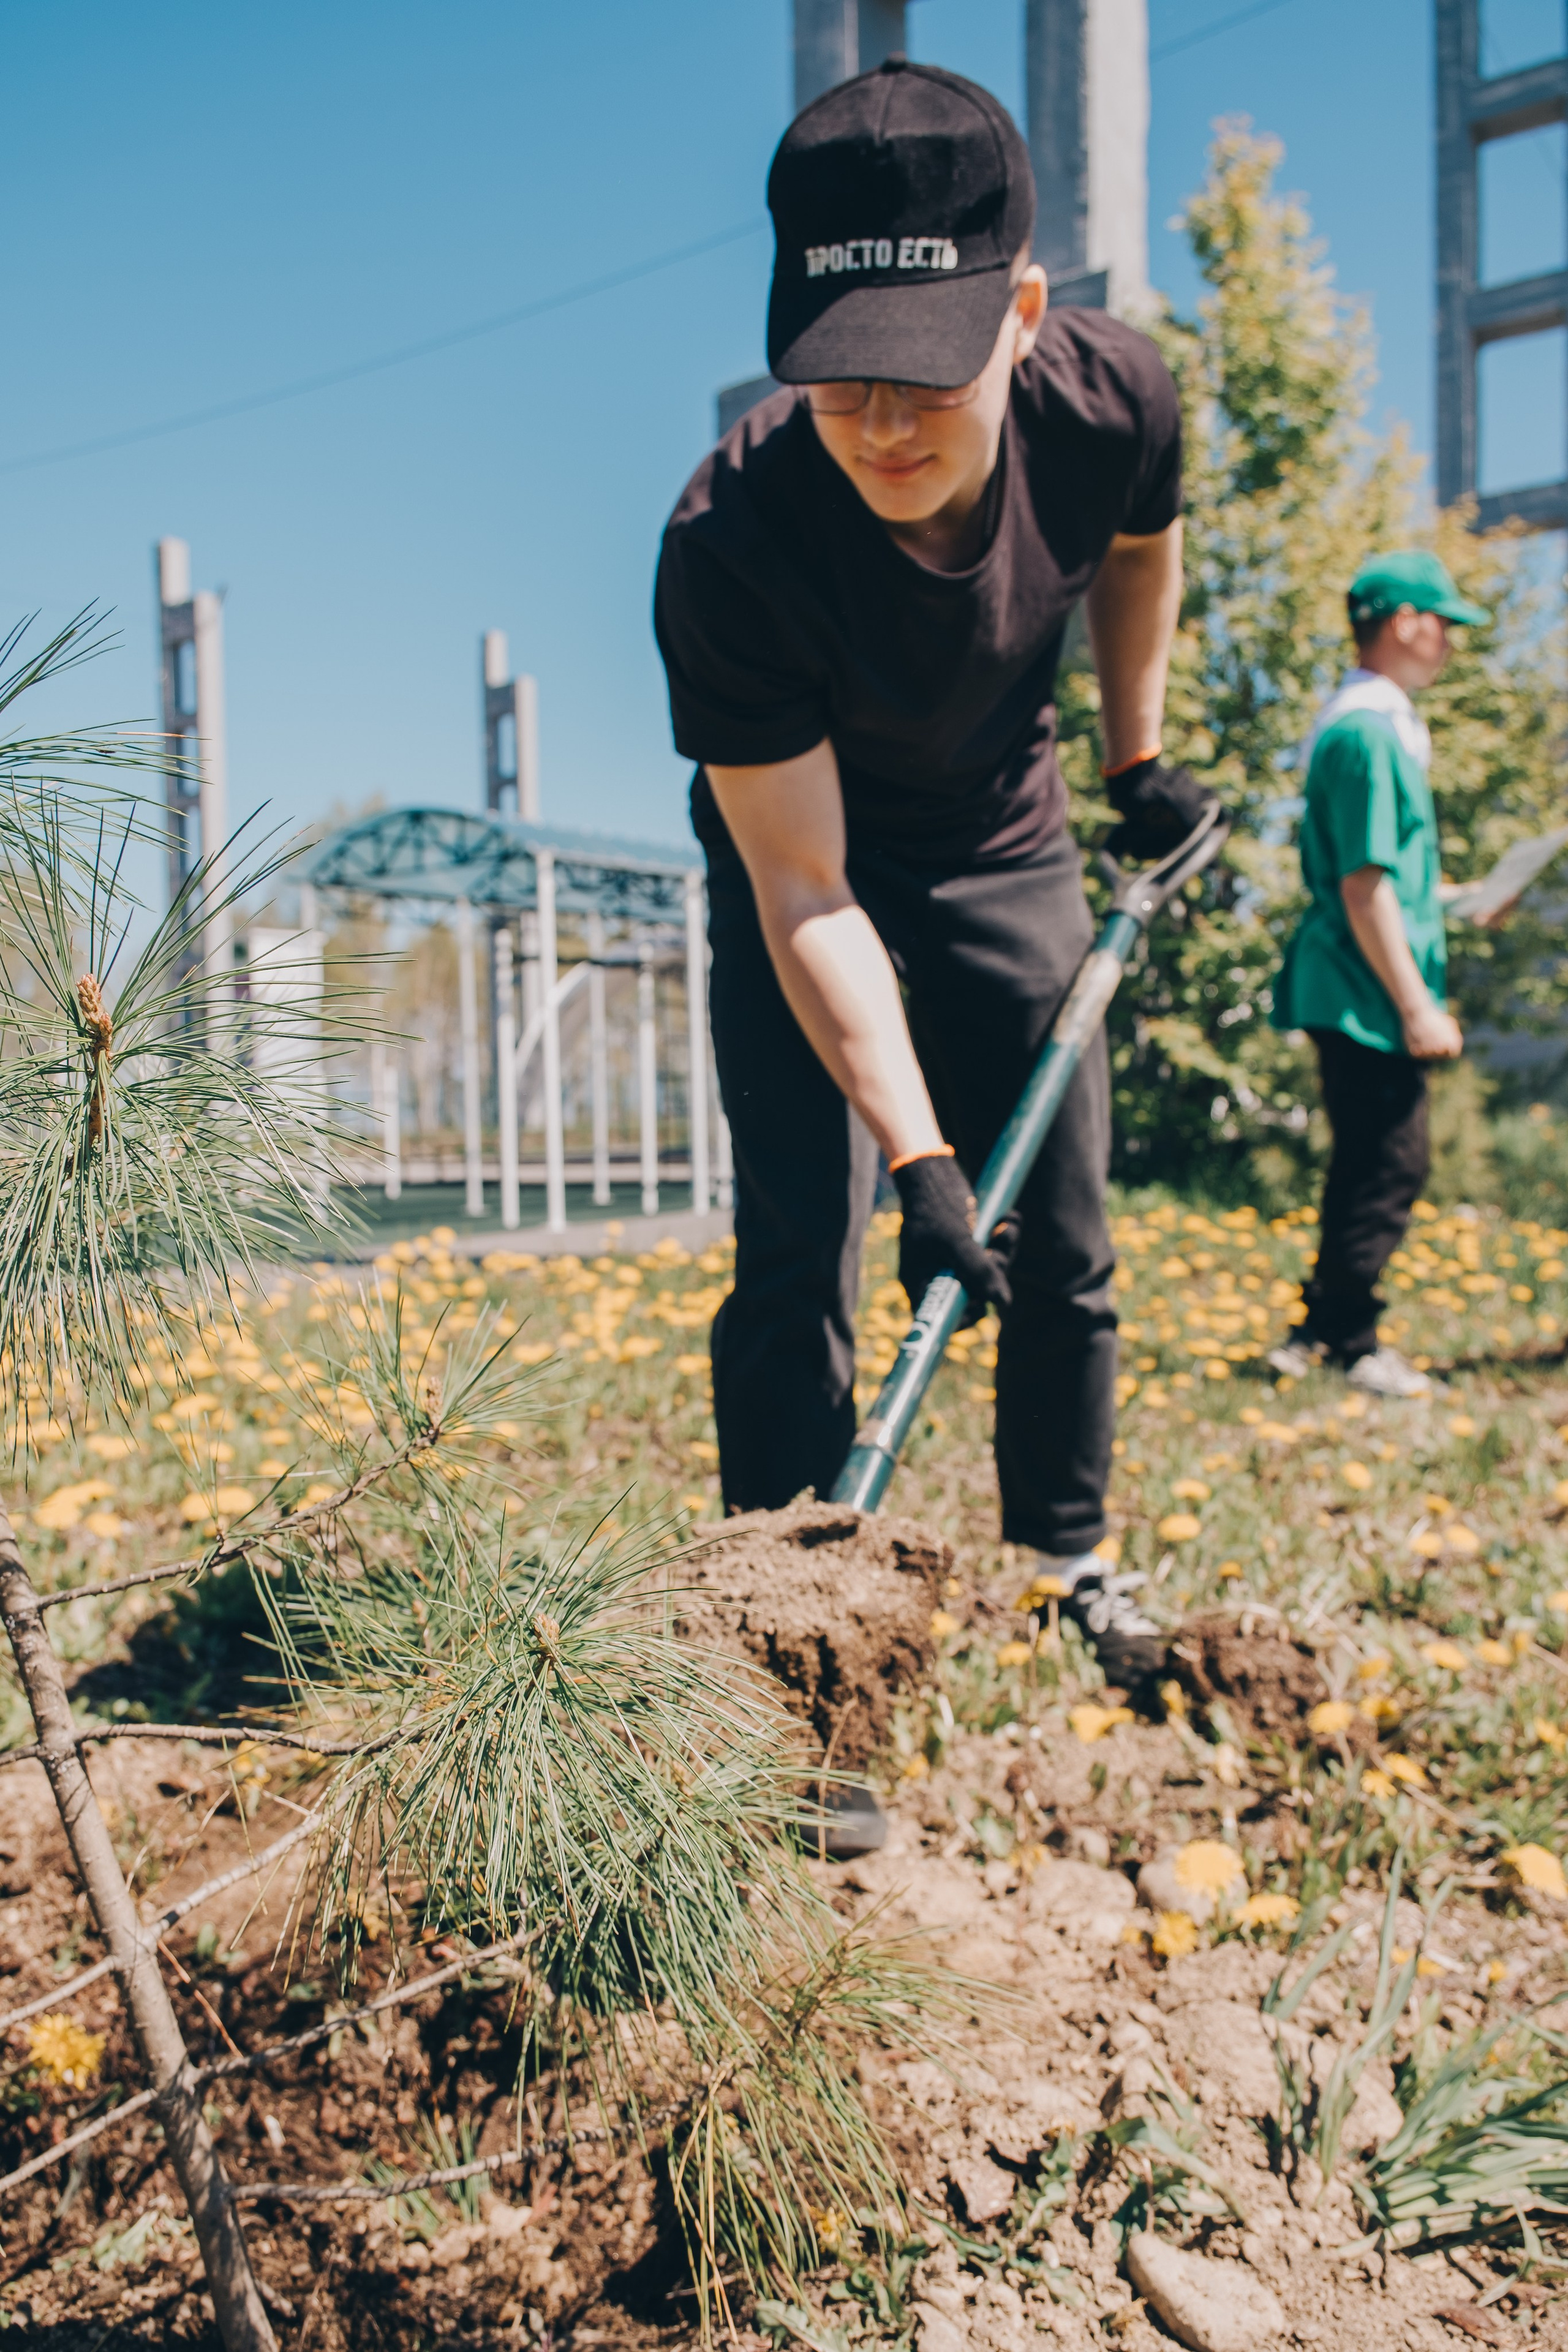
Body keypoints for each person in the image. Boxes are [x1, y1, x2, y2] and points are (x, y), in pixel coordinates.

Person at [655, 58, 1208, 1686]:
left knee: (1063, 1228)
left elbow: (1141, 546)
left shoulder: (1115, 402)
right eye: (842, 387)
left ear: (1025, 315)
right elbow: (806, 887)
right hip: (801, 856)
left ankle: (1066, 1561)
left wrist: (1135, 755)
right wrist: (915, 1156)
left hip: (1000, 826)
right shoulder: (728, 545)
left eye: (927, 381)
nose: (885, 429)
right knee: (797, 1245)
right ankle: (785, 1620)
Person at [1268, 551, 1490, 1398]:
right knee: (1391, 1163)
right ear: (1405, 622)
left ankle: (1320, 1332)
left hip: (1357, 980)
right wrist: (1418, 1004)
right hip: (1365, 991)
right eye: (1445, 626)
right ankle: (1350, 1340)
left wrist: (1462, 899)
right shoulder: (1369, 733)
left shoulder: (1368, 724)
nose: (1449, 646)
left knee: (1367, 1159)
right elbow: (1363, 887)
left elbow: (1385, 878)